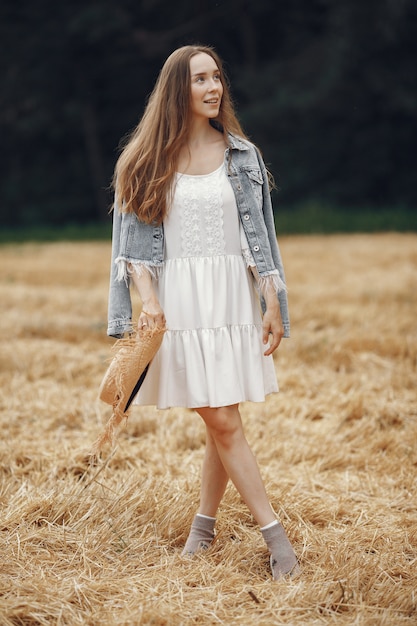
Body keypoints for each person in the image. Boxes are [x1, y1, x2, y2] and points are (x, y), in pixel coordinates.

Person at [107, 44, 300, 580]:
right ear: (177, 90)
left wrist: (272, 303)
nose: (214, 87)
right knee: (221, 417)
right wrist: (148, 301)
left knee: (223, 415)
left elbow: (260, 239)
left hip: (230, 299)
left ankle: (203, 529)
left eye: (217, 77)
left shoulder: (242, 156)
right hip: (179, 304)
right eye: (200, 80)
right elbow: (133, 247)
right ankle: (276, 538)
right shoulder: (144, 161)